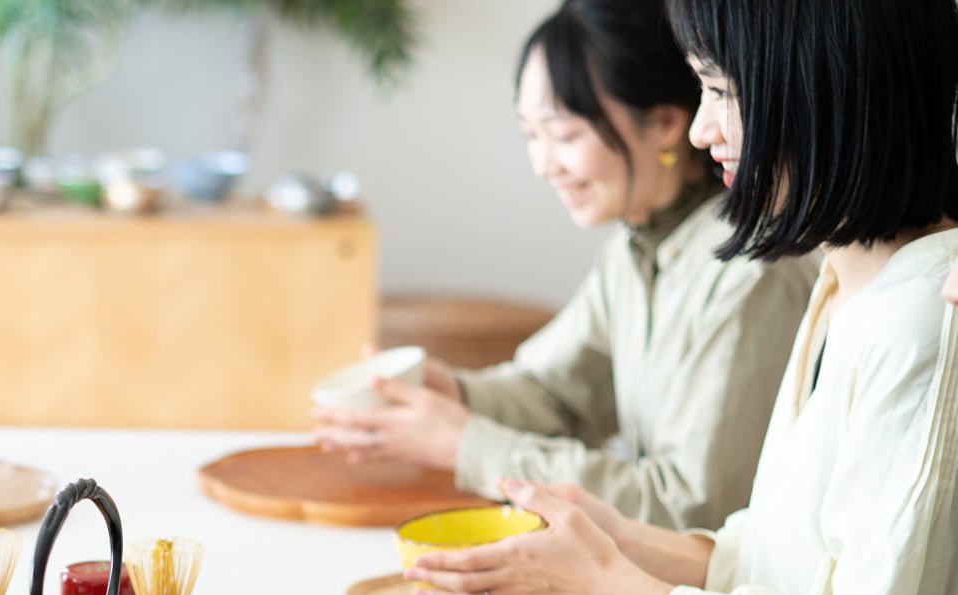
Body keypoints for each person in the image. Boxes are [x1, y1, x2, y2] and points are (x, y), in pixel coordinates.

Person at [404, 0, 958, 595]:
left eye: (721, 91)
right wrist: (621, 543)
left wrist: (616, 589)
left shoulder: (920, 321)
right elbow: (782, 557)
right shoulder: (843, 283)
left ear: (825, 85)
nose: (700, 129)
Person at [313, 0, 812, 532]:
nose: (543, 164)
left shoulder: (751, 269)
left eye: (566, 134)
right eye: (532, 134)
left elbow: (693, 510)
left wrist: (465, 442)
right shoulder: (636, 245)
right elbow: (555, 393)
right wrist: (452, 394)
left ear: (667, 122)